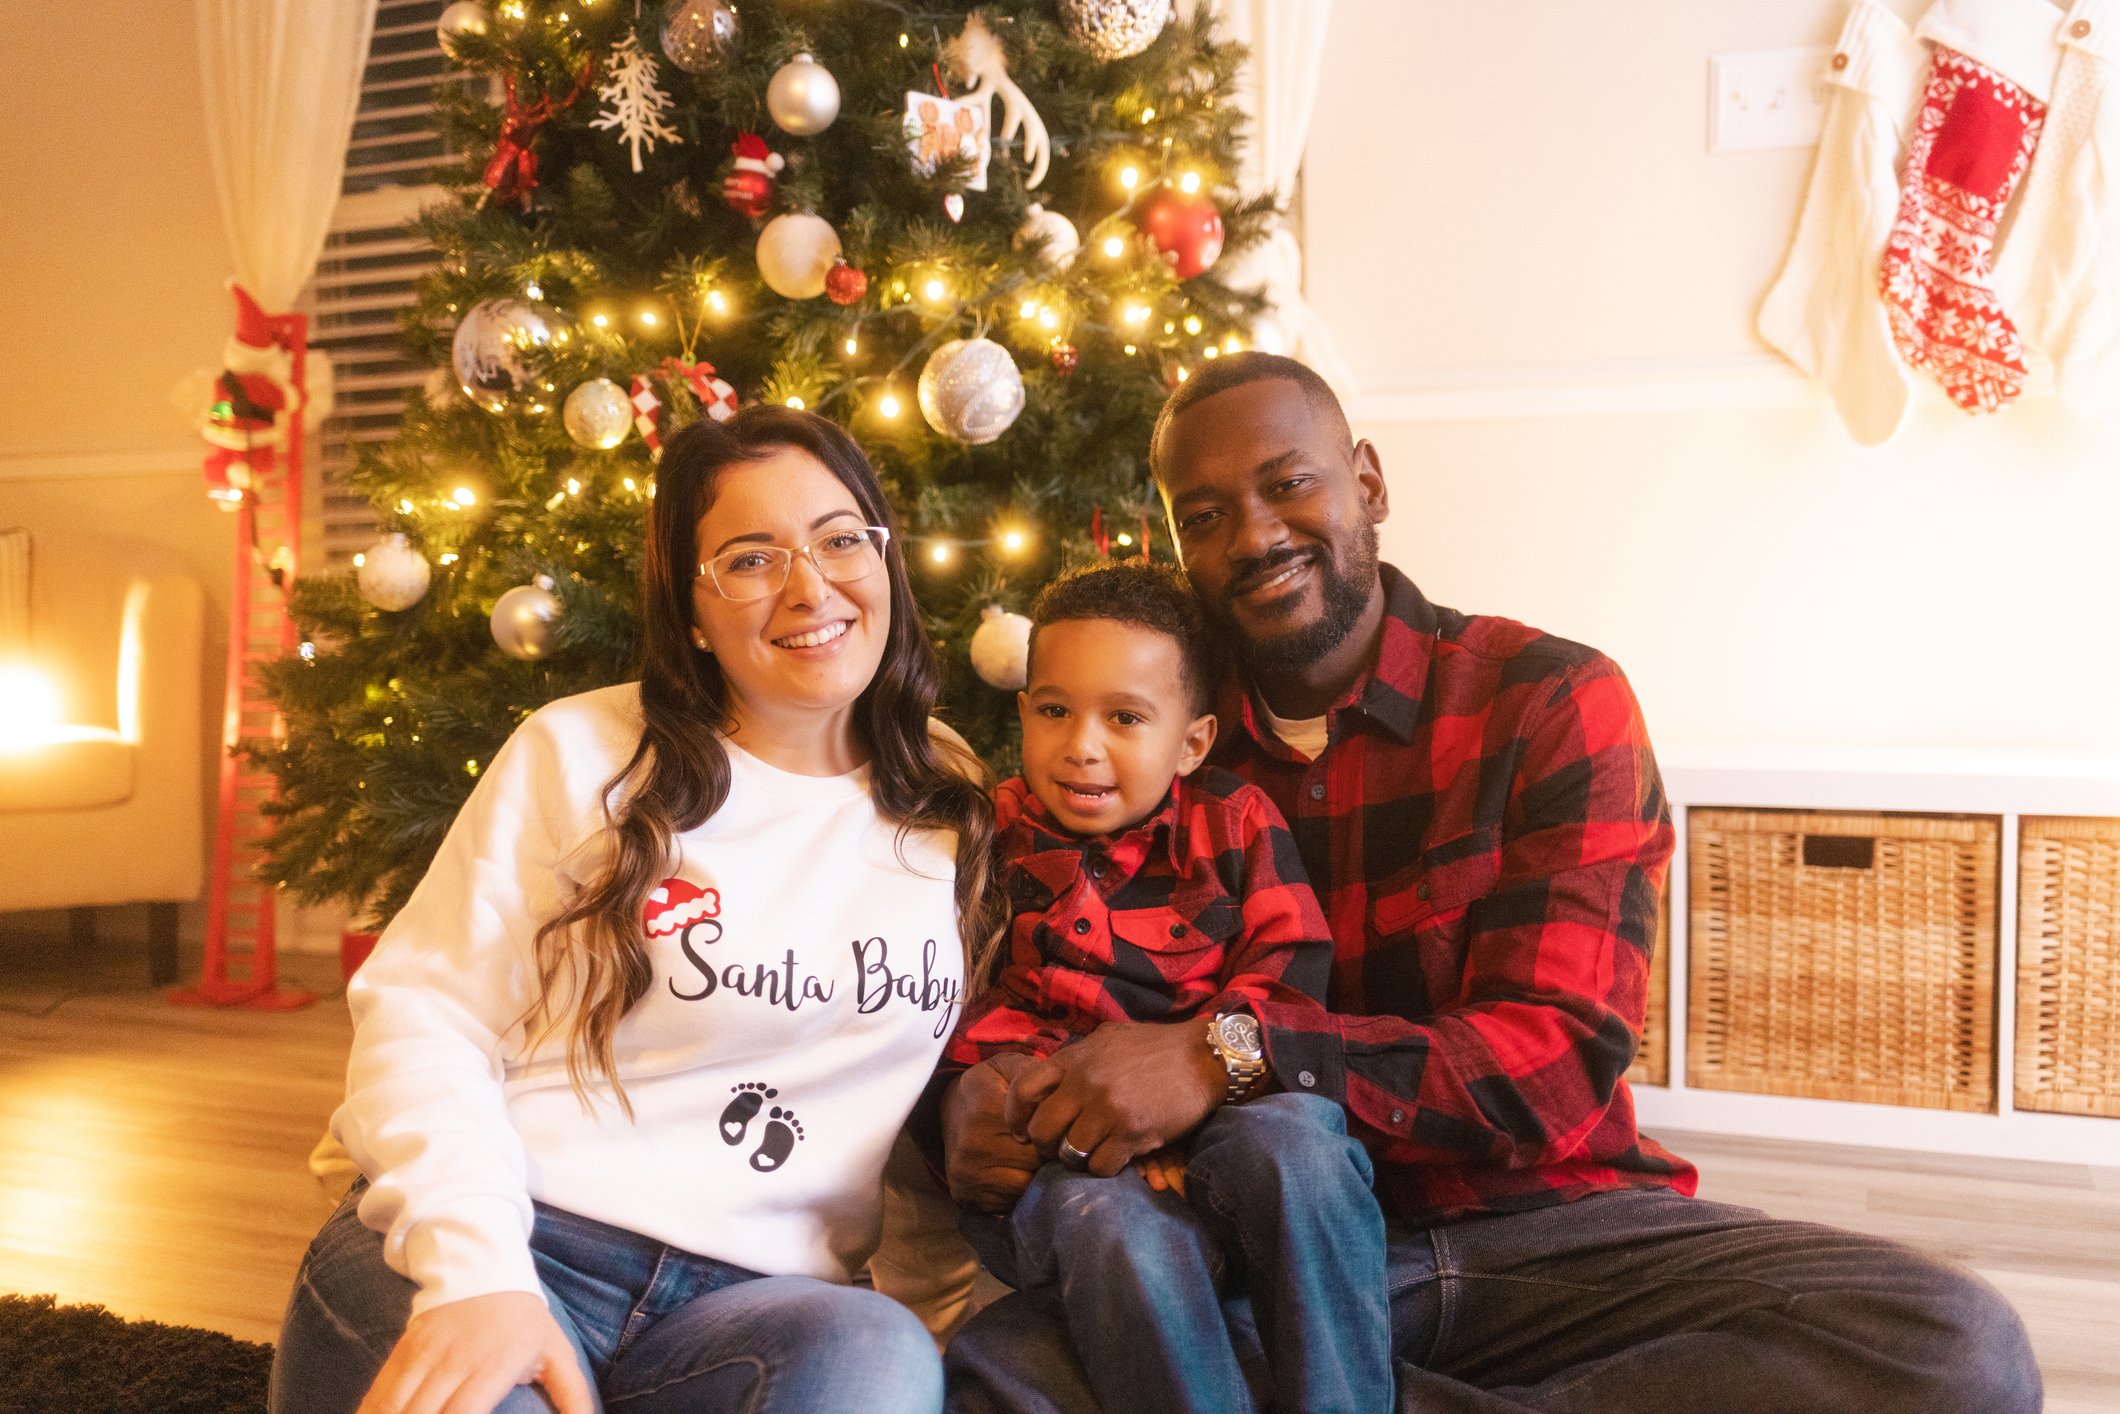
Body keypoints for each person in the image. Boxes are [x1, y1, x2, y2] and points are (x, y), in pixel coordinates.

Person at [937, 352, 2042, 1414]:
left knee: (1953, 1351)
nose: (1255, 535)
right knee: (988, 1377)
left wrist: (1227, 1051)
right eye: (1207, 515)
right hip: (1248, 1250)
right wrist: (967, 1104)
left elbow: (1554, 1057)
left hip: (1536, 1234)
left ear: (1366, 482)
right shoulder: (1141, 731)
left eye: (1287, 485)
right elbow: (999, 974)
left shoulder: (1546, 700)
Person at [271, 406, 997, 1414]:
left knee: (877, 1356)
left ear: (885, 561)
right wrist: (477, 1275)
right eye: (750, 559)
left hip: (755, 1314)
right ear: (691, 609)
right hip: (510, 1234)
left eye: (840, 539)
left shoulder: (952, 793)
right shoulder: (580, 752)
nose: (810, 586)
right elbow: (424, 1015)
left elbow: (923, 1115)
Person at [940, 561, 1390, 1414]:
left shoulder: (1236, 823)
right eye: (1054, 710)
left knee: (1302, 1151)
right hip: (1066, 1160)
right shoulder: (984, 833)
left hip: (1231, 1117)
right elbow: (948, 1006)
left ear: (1191, 741)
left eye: (1125, 718)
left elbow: (1287, 993)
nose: (1081, 744)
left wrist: (1196, 1090)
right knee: (1114, 1233)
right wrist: (1007, 1098)